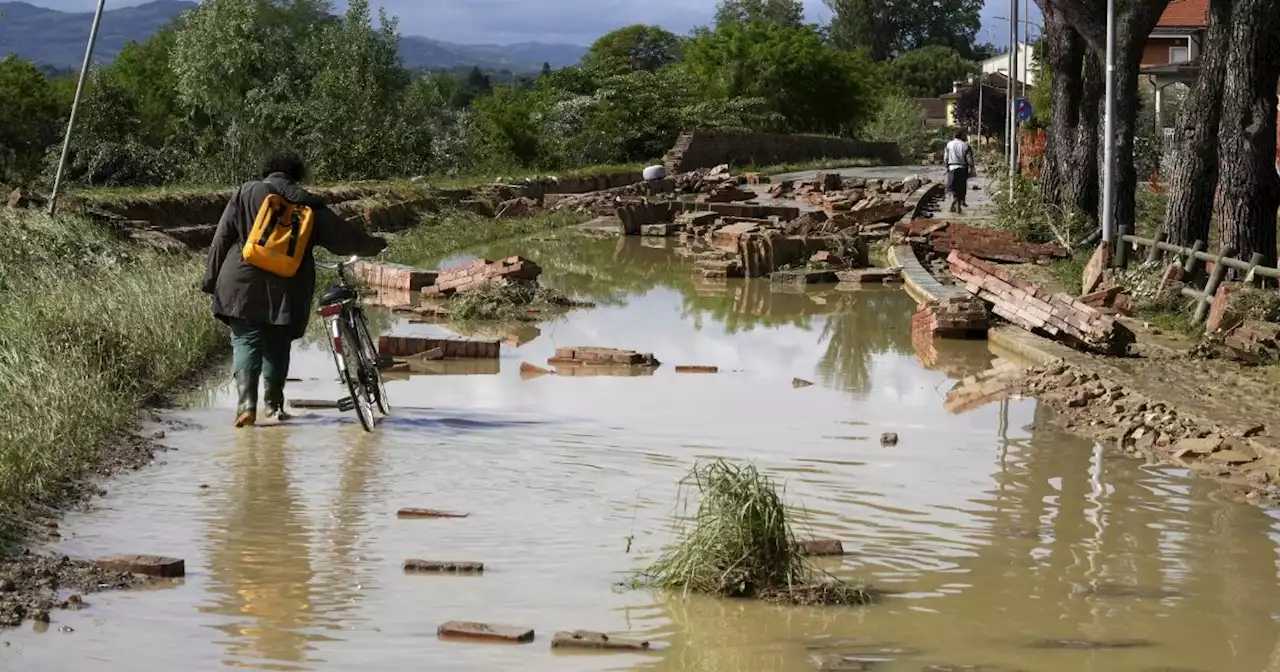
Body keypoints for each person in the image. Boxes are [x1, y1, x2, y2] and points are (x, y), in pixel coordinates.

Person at [202, 149, 388, 428]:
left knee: (246, 340)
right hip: (288, 286)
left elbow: (221, 239)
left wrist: (211, 279)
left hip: (241, 280)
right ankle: (274, 407)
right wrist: (374, 244)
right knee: (278, 343)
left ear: (267, 170)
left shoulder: (246, 192)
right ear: (297, 175)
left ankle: (245, 406)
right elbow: (342, 239)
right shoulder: (310, 204)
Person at [944, 129, 976, 214]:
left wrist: (946, 167)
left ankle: (955, 204)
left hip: (952, 168)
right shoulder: (966, 145)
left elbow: (946, 158)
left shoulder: (949, 144)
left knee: (952, 188)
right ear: (962, 136)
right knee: (961, 188)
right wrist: (972, 169)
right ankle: (959, 203)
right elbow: (969, 160)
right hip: (962, 169)